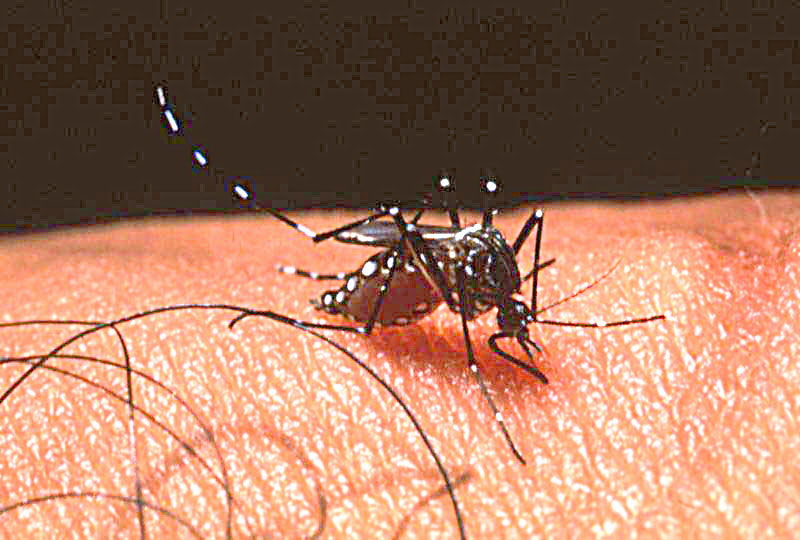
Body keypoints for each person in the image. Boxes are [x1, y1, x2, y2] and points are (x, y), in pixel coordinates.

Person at [1, 191, 796, 538]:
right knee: (440, 225)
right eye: (513, 320)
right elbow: (471, 276)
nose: (514, 330)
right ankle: (323, 267)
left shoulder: (503, 278)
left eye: (513, 321)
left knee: (483, 223)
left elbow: (505, 256)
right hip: (402, 277)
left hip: (431, 279)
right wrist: (482, 369)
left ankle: (332, 277)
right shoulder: (482, 282)